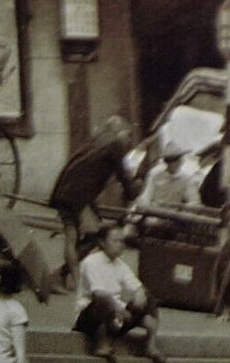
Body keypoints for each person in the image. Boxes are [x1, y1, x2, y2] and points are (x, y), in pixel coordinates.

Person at [47, 116, 139, 290]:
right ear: (120, 132)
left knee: (72, 236)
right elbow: (124, 177)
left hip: (65, 190)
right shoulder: (115, 145)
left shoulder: (97, 140)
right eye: (128, 135)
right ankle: (64, 277)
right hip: (79, 195)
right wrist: (133, 194)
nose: (128, 141)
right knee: (97, 235)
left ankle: (63, 276)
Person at [72, 224, 166, 363]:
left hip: (116, 318)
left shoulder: (120, 264)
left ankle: (150, 346)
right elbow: (99, 293)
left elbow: (136, 286)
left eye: (122, 241)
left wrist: (140, 294)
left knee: (148, 298)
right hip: (90, 318)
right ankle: (101, 344)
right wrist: (120, 309)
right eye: (115, 241)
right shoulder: (91, 262)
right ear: (102, 243)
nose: (120, 245)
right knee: (103, 300)